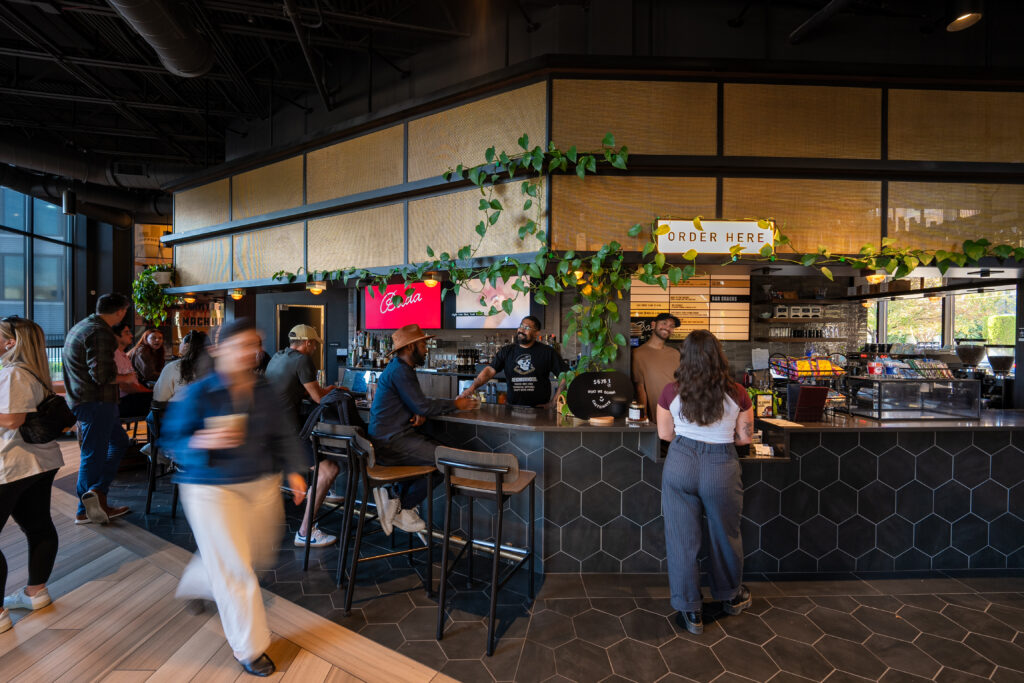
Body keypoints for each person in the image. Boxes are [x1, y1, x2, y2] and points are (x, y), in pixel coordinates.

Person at [162, 318, 308, 678]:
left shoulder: (263, 389)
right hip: (210, 488)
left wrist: (294, 469)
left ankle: (200, 579)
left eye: (254, 344)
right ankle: (250, 648)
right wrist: (199, 441)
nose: (250, 352)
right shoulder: (199, 393)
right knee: (236, 569)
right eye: (241, 345)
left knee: (255, 554)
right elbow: (171, 440)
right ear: (218, 350)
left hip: (259, 482)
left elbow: (283, 433)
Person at [656, 330, 755, 636]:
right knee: (725, 534)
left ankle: (690, 610)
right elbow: (745, 438)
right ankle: (731, 596)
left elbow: (665, 435)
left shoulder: (671, 391)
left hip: (680, 463)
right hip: (721, 466)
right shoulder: (738, 392)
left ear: (684, 357)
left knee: (682, 539)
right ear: (718, 355)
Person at [369, 323, 477, 535]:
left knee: (439, 454)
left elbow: (416, 404)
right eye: (423, 344)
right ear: (411, 347)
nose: (426, 349)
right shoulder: (401, 370)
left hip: (389, 438)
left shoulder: (399, 368)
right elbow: (423, 405)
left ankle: (395, 498)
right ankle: (403, 505)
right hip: (391, 442)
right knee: (445, 460)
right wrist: (457, 404)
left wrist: (416, 410)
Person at [0, 316, 64, 634]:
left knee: (36, 526)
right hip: (40, 461)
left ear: (10, 342)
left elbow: (12, 420)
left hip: (13, 464)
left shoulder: (13, 373)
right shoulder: (34, 372)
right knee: (38, 526)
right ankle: (35, 593)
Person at [265, 324, 338, 548]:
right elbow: (318, 398)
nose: (315, 348)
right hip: (286, 431)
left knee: (321, 460)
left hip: (268, 429)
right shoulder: (303, 360)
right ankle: (306, 532)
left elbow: (294, 388)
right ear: (307, 343)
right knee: (328, 470)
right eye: (314, 344)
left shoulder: (277, 357)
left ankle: (323, 490)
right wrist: (334, 389)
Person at [62, 293, 132, 525]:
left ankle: (97, 494)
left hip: (87, 400)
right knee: (93, 455)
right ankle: (84, 510)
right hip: (96, 402)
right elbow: (102, 376)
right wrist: (127, 377)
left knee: (119, 442)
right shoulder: (100, 332)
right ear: (120, 311)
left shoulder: (82, 326)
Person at [458, 315, 568, 407]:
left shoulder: (547, 352)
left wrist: (553, 403)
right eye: (521, 326)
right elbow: (489, 370)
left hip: (539, 410)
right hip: (512, 409)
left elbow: (566, 376)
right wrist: (472, 388)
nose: (521, 330)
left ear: (536, 333)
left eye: (527, 328)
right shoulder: (507, 351)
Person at [632, 313, 681, 424]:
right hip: (656, 419)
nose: (667, 328)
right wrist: (643, 417)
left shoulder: (676, 354)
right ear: (653, 325)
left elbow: (682, 384)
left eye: (671, 326)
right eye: (664, 323)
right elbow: (640, 388)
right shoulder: (638, 354)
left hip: (679, 418)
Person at [152, 330, 211, 404]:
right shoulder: (215, 366)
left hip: (179, 409)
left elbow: (159, 398)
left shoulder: (173, 367)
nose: (179, 345)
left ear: (186, 346)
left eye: (181, 342)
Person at [113, 323, 153, 418]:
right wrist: (149, 391)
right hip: (122, 402)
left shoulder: (123, 355)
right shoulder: (114, 355)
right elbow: (124, 387)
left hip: (131, 397)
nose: (131, 335)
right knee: (162, 402)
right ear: (115, 336)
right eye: (127, 332)